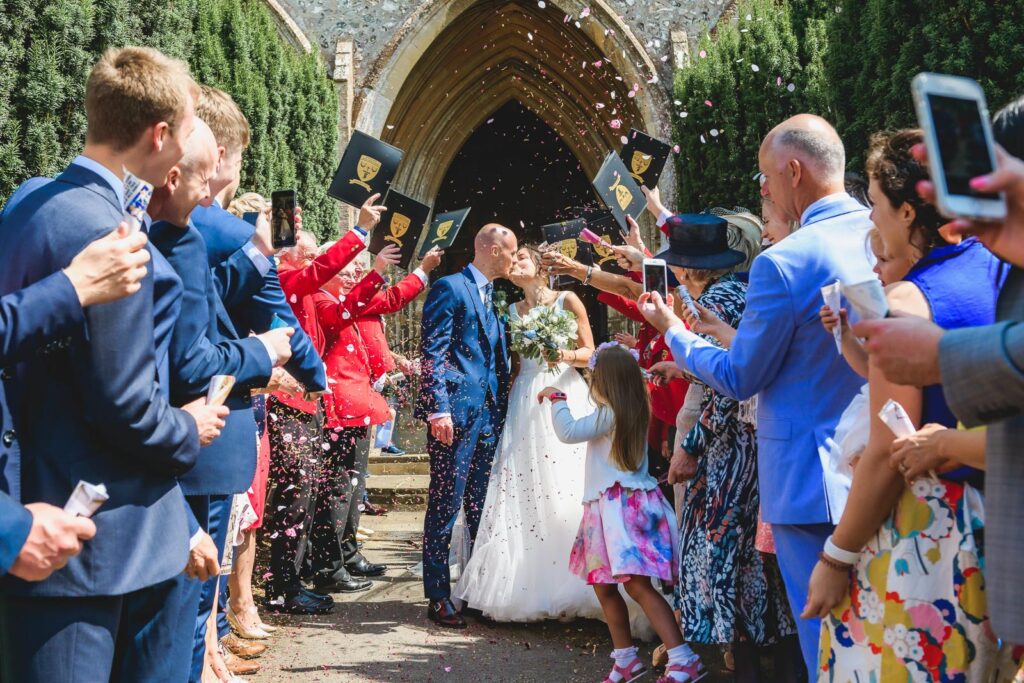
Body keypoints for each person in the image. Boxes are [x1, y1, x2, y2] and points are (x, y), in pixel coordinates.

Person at [0, 46, 233, 682]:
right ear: (159, 137)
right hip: (99, 555)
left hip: (40, 518)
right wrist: (191, 428)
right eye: (186, 132)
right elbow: (123, 404)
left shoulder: (28, 201)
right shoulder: (113, 240)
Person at [639, 114, 876, 673]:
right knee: (875, 635)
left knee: (826, 644)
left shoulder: (785, 261)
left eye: (766, 178)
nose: (763, 190)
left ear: (794, 171)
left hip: (807, 479)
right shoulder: (880, 237)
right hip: (880, 470)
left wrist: (673, 330)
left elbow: (742, 375)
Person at [804, 129, 1004, 679]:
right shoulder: (999, 269)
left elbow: (888, 447)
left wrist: (835, 558)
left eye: (875, 206)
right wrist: (850, 339)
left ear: (908, 213)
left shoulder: (905, 301)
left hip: (934, 529)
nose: (872, 222)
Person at [147, 118, 298, 682]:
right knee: (182, 610)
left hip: (182, 433)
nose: (212, 193)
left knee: (185, 612)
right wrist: (263, 352)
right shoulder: (186, 238)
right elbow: (194, 358)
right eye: (205, 178)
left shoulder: (183, 234)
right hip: (186, 436)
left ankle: (211, 650)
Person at [454, 244, 602, 622]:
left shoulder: (567, 300)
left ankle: (581, 581)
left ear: (540, 266)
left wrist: (561, 355)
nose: (514, 261)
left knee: (566, 484)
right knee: (524, 488)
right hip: (525, 399)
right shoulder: (510, 311)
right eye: (512, 257)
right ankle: (527, 585)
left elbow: (592, 352)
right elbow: (513, 365)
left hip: (563, 388)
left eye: (522, 256)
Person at [539, 344, 704, 683]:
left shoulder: (610, 413)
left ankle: (682, 657)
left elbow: (568, 431)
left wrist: (557, 399)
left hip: (620, 510)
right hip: (607, 510)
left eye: (595, 377)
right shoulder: (631, 407)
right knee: (605, 587)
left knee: (638, 586)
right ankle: (625, 659)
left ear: (607, 382)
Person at [415, 224, 516, 629]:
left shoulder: (493, 295)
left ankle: (475, 588)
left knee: (480, 505)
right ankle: (438, 595)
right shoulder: (450, 288)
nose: (513, 258)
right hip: (455, 416)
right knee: (445, 503)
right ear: (492, 249)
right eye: (510, 252)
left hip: (490, 414)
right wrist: (437, 409)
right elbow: (432, 351)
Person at [304, 245, 400, 595]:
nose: (350, 274)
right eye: (345, 268)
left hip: (355, 404)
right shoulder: (322, 300)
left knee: (352, 486)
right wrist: (377, 271)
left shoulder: (340, 301)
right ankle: (330, 567)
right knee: (338, 489)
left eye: (354, 269)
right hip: (338, 408)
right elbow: (343, 319)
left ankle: (347, 552)